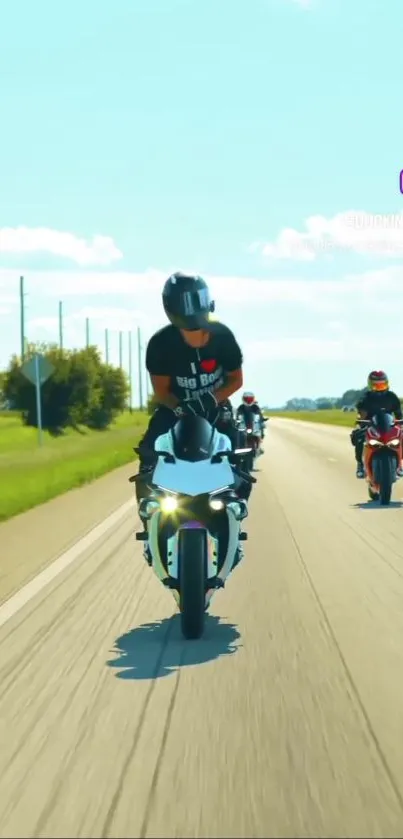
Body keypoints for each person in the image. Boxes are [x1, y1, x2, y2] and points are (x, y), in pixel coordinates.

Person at [135, 272, 250, 529]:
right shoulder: (160, 344)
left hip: (216, 407)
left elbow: (236, 380)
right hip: (175, 409)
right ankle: (150, 513)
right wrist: (179, 407)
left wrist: (211, 399)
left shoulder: (224, 337)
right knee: (149, 450)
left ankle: (235, 507)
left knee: (238, 449)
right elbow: (162, 391)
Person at [351, 370, 403, 478]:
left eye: (382, 384)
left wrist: (400, 422)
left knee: (401, 436)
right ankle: (360, 465)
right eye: (376, 385)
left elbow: (399, 414)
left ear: (387, 384)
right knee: (358, 436)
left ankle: (400, 464)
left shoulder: (392, 397)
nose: (379, 388)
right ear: (370, 385)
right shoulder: (366, 398)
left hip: (388, 426)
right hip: (371, 427)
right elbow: (361, 414)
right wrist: (361, 422)